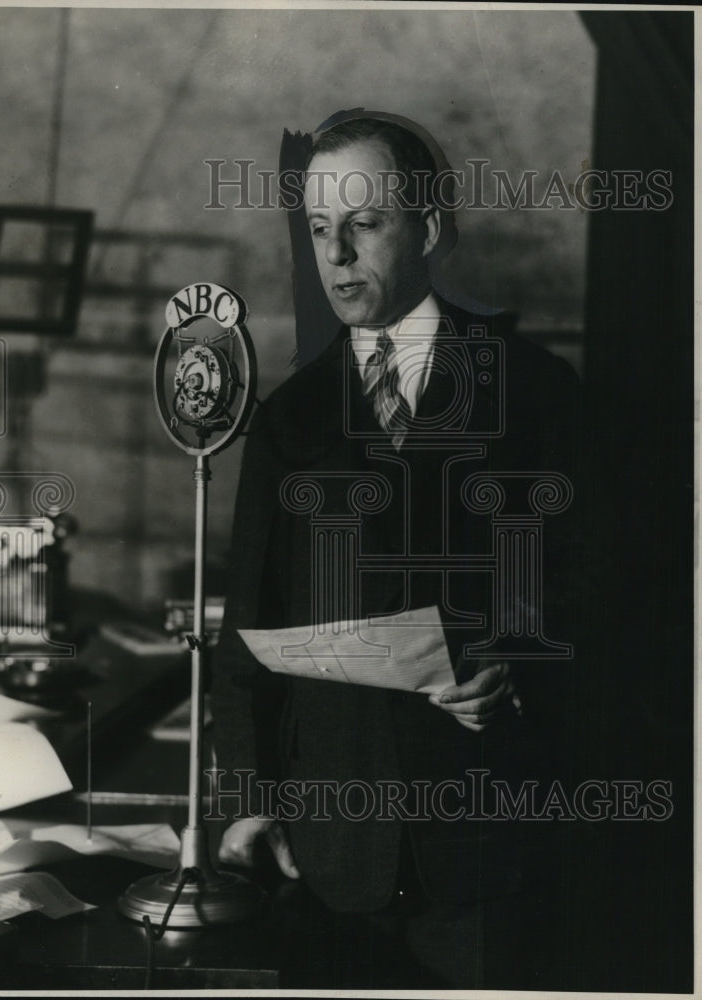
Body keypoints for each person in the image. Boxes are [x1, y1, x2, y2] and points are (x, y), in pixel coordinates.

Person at [211, 113, 582, 989]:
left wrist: (517, 663)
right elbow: (248, 631)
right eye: (317, 229)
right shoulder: (290, 420)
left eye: (364, 223)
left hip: (493, 841)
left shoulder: (537, 392)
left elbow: (610, 589)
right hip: (331, 849)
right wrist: (253, 801)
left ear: (430, 228)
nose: (335, 254)